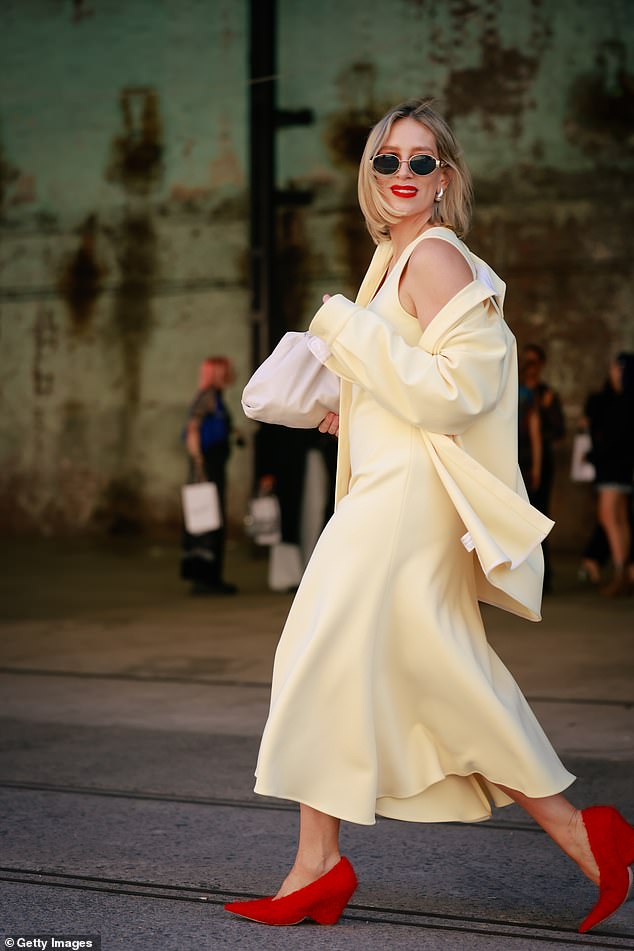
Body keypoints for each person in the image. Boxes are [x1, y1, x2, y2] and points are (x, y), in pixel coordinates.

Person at [224, 100, 634, 933]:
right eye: (388, 162)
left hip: (406, 499)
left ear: (446, 177)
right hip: (389, 484)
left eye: (422, 162)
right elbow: (413, 377)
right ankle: (319, 863)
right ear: (370, 176)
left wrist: (343, 328)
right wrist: (355, 399)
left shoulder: (435, 255)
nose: (403, 176)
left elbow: (463, 391)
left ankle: (581, 839)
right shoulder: (395, 257)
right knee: (364, 662)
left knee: (353, 657)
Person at [180, 355, 238, 595]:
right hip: (207, 468)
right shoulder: (207, 397)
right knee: (206, 520)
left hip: (211, 466)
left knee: (211, 519)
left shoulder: (215, 398)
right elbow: (192, 428)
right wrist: (199, 463)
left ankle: (210, 577)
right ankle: (205, 580)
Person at [583, 352, 634, 597]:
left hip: (613, 467)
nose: (612, 370)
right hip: (621, 467)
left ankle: (620, 572)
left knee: (608, 517)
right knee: (620, 519)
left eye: (617, 367)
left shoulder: (622, 402)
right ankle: (623, 570)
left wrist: (594, 456)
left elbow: (614, 439)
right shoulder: (617, 400)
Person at [521, 344, 565, 591]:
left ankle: (542, 576)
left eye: (534, 362)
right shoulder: (514, 390)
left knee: (540, 515)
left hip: (540, 462)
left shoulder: (547, 393)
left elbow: (558, 431)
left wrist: (545, 411)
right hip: (517, 457)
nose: (530, 367)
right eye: (527, 362)